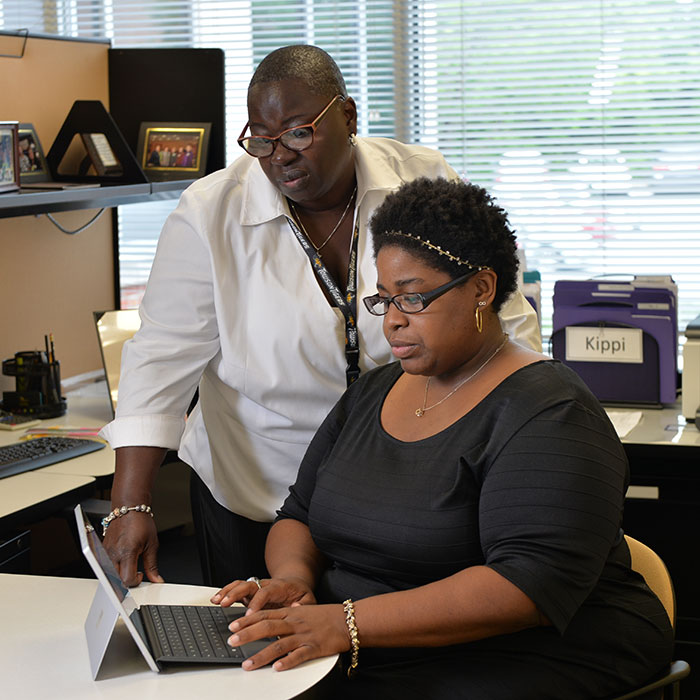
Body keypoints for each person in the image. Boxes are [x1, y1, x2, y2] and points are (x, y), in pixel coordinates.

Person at [211, 176, 674, 700]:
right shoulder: (373, 393)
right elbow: (299, 515)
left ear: (481, 288)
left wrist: (344, 623)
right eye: (383, 301)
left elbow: (524, 587)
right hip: (365, 640)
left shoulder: (551, 410)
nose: (392, 324)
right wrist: (294, 580)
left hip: (519, 650)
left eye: (413, 299)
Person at [99, 44, 541, 589]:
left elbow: (501, 321)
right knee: (253, 657)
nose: (279, 155)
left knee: (386, 649)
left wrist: (530, 442)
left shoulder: (422, 182)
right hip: (258, 495)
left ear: (349, 116)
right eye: (261, 139)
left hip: (410, 497)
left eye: (298, 133)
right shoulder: (209, 214)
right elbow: (160, 361)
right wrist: (129, 504)